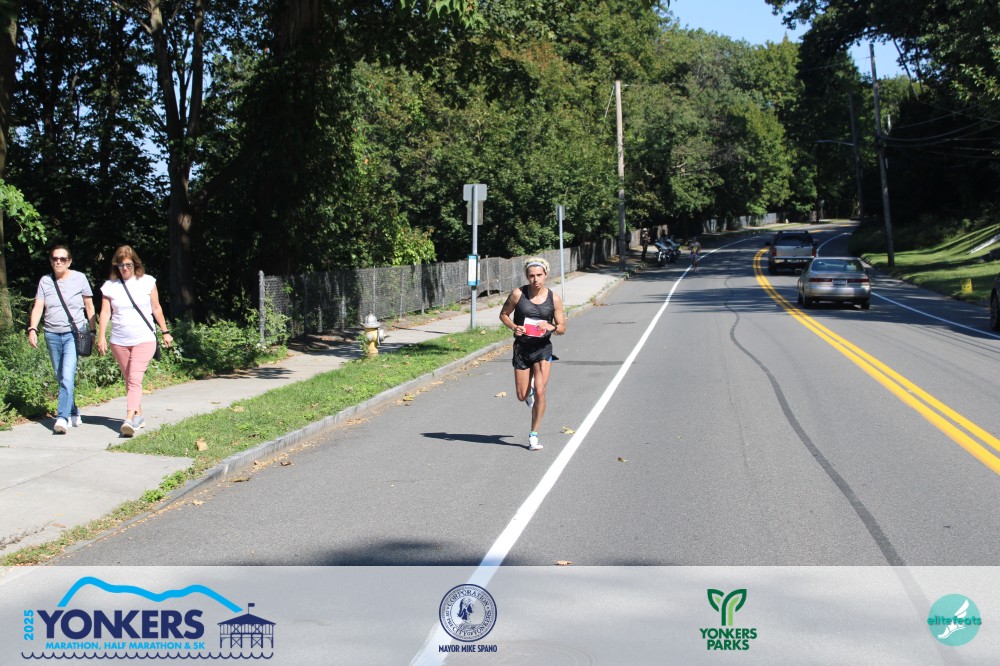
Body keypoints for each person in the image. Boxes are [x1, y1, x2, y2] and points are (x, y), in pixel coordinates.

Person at [96, 245, 173, 437]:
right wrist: (101, 336)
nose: (124, 268)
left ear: (135, 264)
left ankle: (129, 419)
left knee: (134, 379)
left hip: (144, 338)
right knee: (129, 379)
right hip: (119, 340)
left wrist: (165, 332)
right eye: (120, 265)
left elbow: (156, 308)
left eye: (128, 265)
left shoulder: (147, 282)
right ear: (116, 266)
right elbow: (105, 312)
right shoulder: (110, 286)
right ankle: (138, 415)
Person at [499, 257, 566, 451]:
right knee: (522, 395)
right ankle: (528, 393)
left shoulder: (554, 298)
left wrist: (551, 326)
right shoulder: (518, 294)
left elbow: (562, 328)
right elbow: (503, 314)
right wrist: (514, 327)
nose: (536, 279)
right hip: (522, 348)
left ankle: (533, 435)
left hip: (542, 348)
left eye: (539, 275)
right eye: (531, 276)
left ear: (546, 275)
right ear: (527, 276)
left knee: (541, 390)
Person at [27, 245, 96, 434]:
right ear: (50, 261)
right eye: (55, 258)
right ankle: (73, 411)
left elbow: (89, 306)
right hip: (51, 334)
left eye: (62, 259)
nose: (58, 262)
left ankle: (62, 418)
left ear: (69, 261)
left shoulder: (80, 278)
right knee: (60, 376)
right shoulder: (45, 281)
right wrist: (32, 328)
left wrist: (92, 332)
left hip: (74, 334)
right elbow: (38, 306)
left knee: (67, 375)